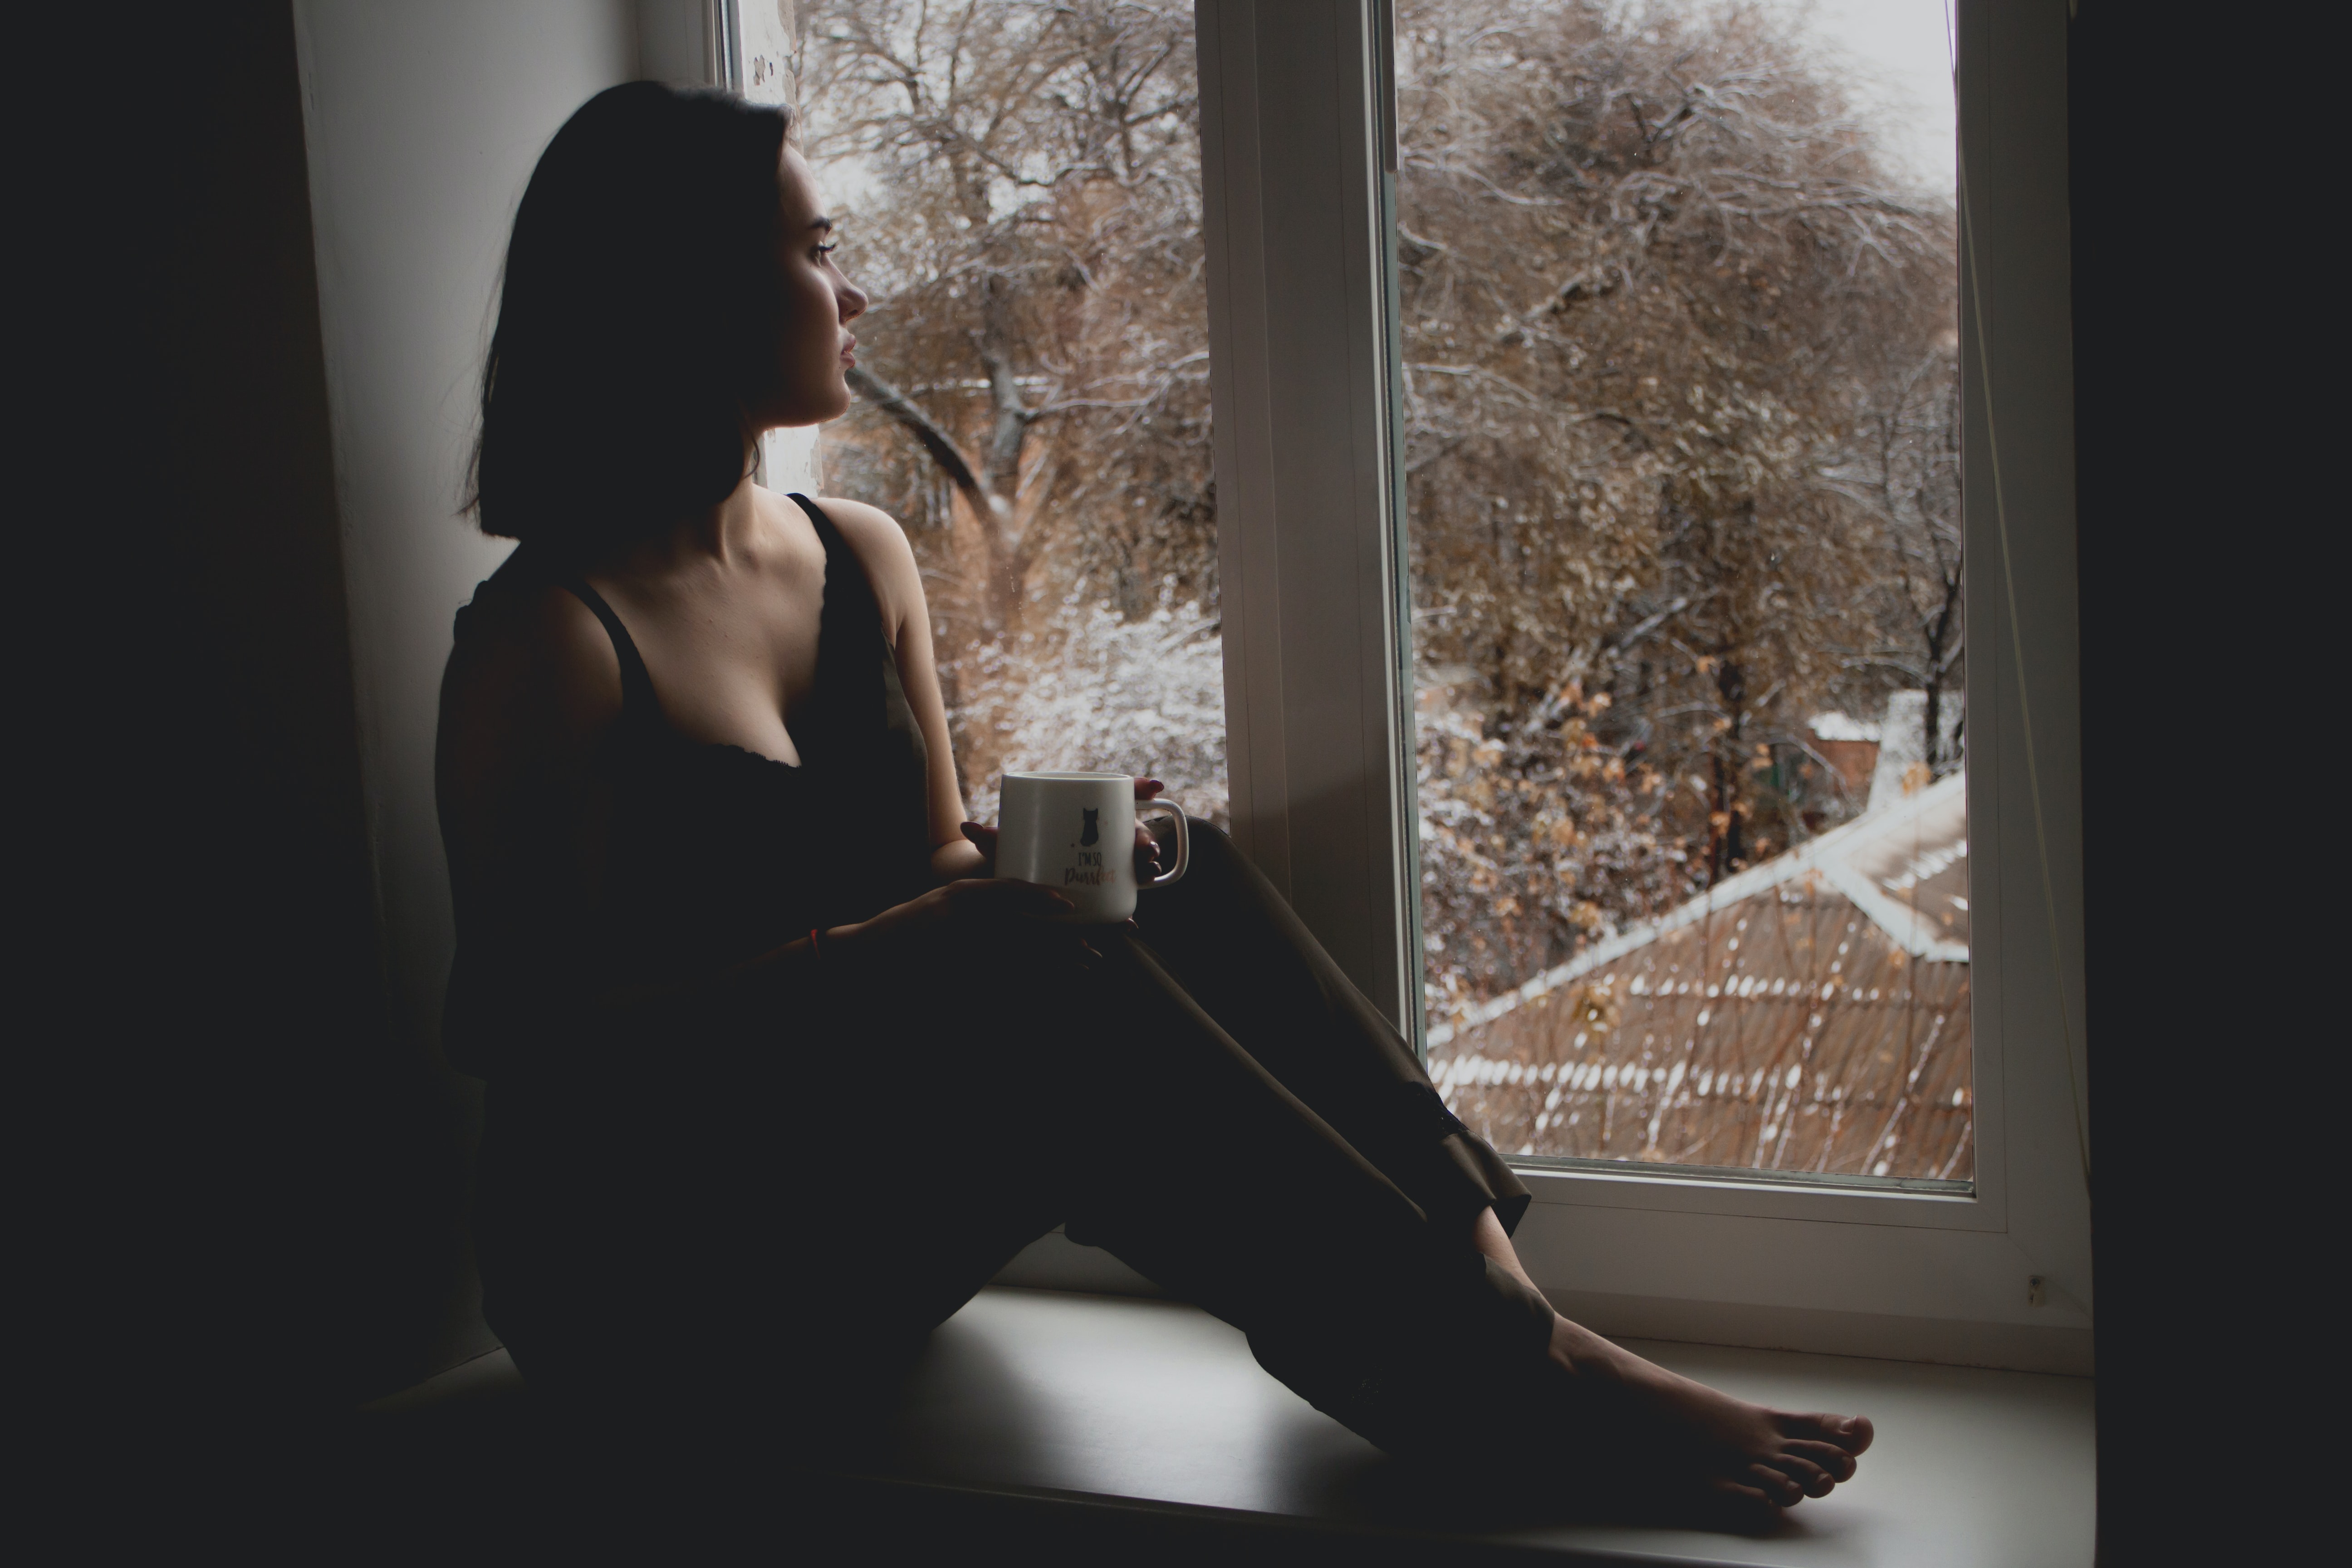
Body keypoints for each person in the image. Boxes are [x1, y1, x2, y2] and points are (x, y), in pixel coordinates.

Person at [435, 81, 1871, 1514]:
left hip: (863, 1210)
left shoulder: (858, 554)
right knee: (1046, 977)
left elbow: (930, 860)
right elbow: (528, 1040)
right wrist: (889, 957)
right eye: (816, 249)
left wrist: (1017, 868)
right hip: (658, 1295)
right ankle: (1522, 1379)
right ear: (684, 292)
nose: (854, 285)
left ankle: (1507, 1306)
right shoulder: (549, 642)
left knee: (1171, 864)